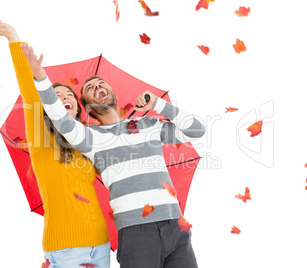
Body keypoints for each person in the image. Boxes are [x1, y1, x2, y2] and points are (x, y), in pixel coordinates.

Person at [22, 42, 205, 267]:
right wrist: (40, 76)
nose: (98, 86)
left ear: (112, 93)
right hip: (136, 235)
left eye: (101, 83)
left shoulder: (148, 124)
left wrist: (159, 104)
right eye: (90, 88)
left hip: (176, 228)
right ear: (87, 107)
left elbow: (197, 130)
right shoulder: (91, 139)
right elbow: (60, 117)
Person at [0, 20, 110, 268]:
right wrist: (13, 39)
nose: (65, 98)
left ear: (79, 107)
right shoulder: (41, 138)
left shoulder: (89, 141)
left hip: (101, 245)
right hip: (66, 248)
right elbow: (31, 93)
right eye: (57, 97)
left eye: (70, 95)